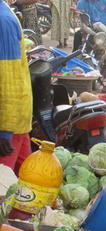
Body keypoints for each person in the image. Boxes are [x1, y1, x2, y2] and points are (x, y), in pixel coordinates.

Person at [0, 0, 33, 174]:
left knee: (4, 187)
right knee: (26, 184)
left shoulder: (2, 21)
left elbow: (9, 80)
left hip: (9, 125)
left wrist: (5, 131)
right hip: (15, 121)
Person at [73, 0, 106, 79]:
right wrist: (86, 29)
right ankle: (73, 62)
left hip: (105, 28)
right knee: (77, 36)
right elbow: (84, 20)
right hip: (90, 28)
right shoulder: (82, 3)